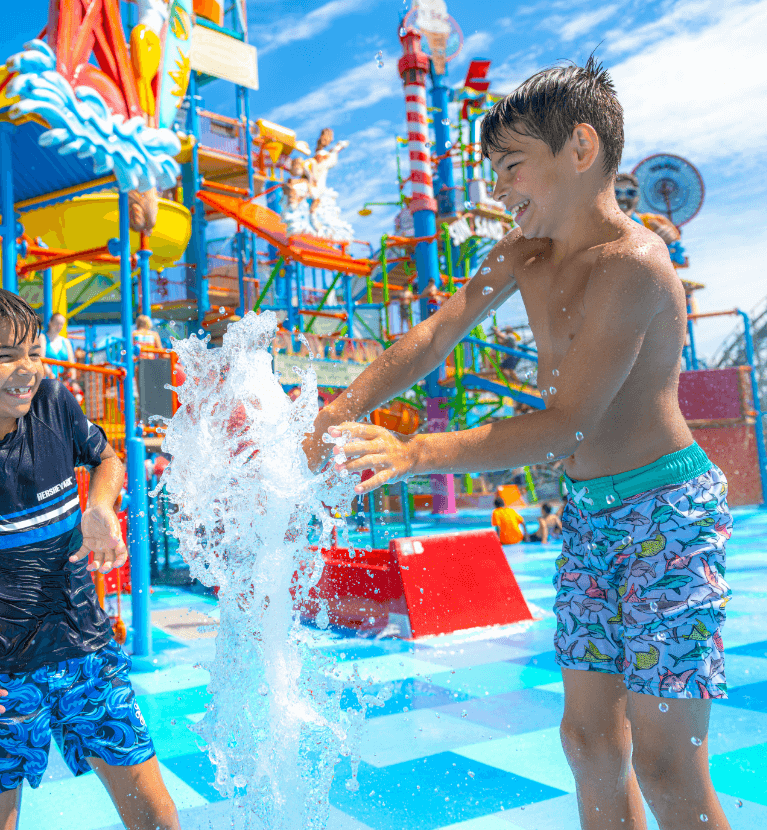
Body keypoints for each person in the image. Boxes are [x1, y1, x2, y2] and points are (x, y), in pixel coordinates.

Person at [307, 58, 733, 830]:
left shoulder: (634, 265)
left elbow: (568, 422)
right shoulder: (522, 256)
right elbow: (434, 337)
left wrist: (414, 453)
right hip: (591, 515)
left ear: (578, 148)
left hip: (666, 513)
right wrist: (337, 411)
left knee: (666, 763)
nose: (499, 189)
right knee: (585, 740)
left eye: (510, 167)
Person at [0, 283, 179, 830]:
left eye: (33, 351)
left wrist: (99, 508)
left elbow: (108, 460)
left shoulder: (51, 403)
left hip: (86, 651)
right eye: (5, 357)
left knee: (155, 815)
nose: (27, 368)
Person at [39, 312, 74, 379]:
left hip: (62, 381)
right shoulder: (42, 338)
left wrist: (73, 380)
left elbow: (72, 364)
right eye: (57, 323)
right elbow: (41, 359)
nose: (59, 326)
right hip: (46, 379)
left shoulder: (66, 342)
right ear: (50, 322)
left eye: (61, 324)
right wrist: (50, 375)